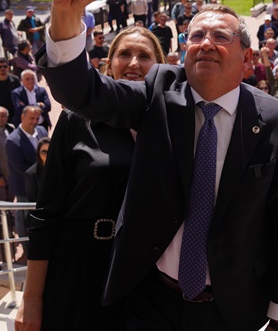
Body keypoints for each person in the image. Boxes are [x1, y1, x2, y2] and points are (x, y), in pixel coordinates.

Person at [42, 0, 278, 331]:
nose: (205, 42)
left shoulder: (276, 122)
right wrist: (66, 15)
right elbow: (81, 91)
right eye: (195, 35)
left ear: (247, 59)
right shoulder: (156, 92)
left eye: (220, 36)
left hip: (230, 310)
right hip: (149, 299)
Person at [18, 29, 168, 330]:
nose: (134, 63)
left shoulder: (173, 124)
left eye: (144, 56)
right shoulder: (76, 119)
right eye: (124, 54)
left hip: (148, 275)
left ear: (161, 67)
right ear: (109, 63)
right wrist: (31, 299)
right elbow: (46, 214)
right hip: (81, 266)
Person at [6, 105, 48, 251]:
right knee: (23, 217)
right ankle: (25, 245)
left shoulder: (42, 131)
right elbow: (20, 168)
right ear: (22, 117)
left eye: (37, 118)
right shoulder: (12, 140)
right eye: (31, 118)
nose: (34, 121)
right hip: (24, 187)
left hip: (41, 184)